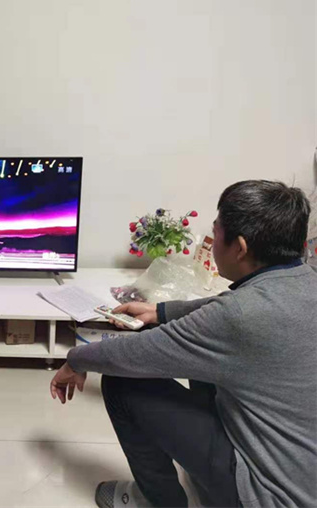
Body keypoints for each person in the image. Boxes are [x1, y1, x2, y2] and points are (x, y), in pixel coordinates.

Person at [50, 180, 316, 508]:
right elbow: (226, 309)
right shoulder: (305, 280)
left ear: (240, 248)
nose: (212, 240)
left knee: (122, 383)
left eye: (216, 231)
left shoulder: (240, 315)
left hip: (268, 496)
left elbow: (133, 354)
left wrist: (76, 358)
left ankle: (156, 501)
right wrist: (160, 312)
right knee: (207, 368)